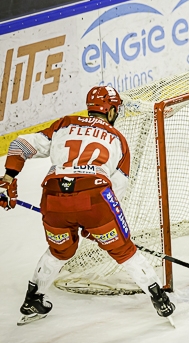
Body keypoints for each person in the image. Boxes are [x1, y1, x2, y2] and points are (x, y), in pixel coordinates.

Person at [0, 86, 175, 326]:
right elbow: (116, 192)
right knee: (123, 250)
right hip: (95, 199)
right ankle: (160, 299)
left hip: (53, 198)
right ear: (111, 110)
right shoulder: (119, 139)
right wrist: (97, 224)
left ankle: (33, 299)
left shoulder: (64, 124)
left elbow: (19, 146)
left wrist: (8, 179)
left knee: (60, 251)